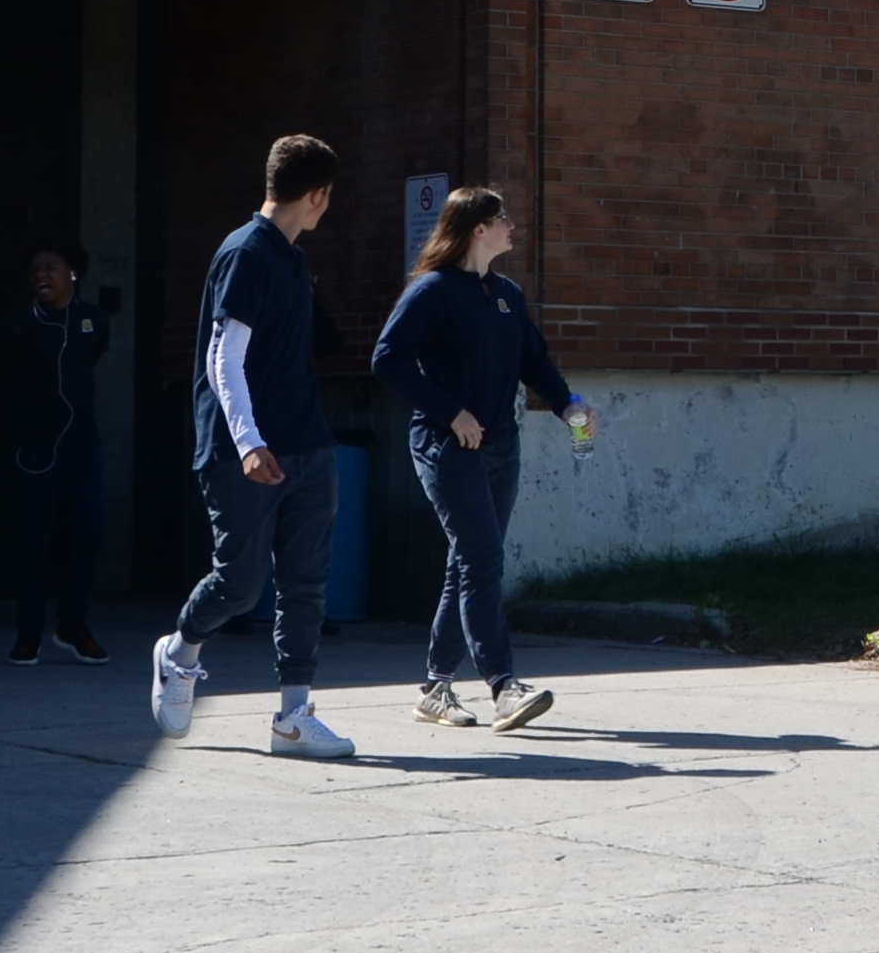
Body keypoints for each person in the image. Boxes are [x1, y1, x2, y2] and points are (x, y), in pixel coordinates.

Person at [161, 134, 357, 760]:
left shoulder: (293, 258)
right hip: (241, 450)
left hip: (308, 443)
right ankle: (179, 653)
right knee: (240, 584)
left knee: (306, 583)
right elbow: (223, 358)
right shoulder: (246, 253)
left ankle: (293, 717)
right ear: (317, 195)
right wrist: (248, 441)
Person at [376, 184, 592, 731]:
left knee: (470, 561)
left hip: (500, 445)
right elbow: (388, 360)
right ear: (477, 228)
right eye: (503, 218)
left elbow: (533, 361)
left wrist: (567, 405)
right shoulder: (432, 291)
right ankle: (503, 686)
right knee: (482, 560)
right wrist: (452, 412)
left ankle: (435, 689)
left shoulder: (506, 295)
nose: (512, 225)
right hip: (447, 445)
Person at [0, 241, 116, 665]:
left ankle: (72, 623)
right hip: (36, 447)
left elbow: (93, 357)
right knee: (34, 541)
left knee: (90, 532)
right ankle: (28, 631)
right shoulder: (18, 325)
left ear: (72, 273)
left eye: (50, 267)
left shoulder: (93, 319)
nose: (41, 275)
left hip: (82, 445)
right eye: (35, 269)